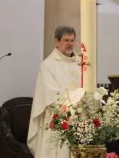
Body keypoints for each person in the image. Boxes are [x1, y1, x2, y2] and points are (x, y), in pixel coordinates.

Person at [27, 25, 81, 158]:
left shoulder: (81, 63)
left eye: (72, 40)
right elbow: (52, 94)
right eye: (66, 40)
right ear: (56, 42)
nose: (70, 44)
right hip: (57, 118)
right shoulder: (48, 65)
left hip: (80, 119)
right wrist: (77, 98)